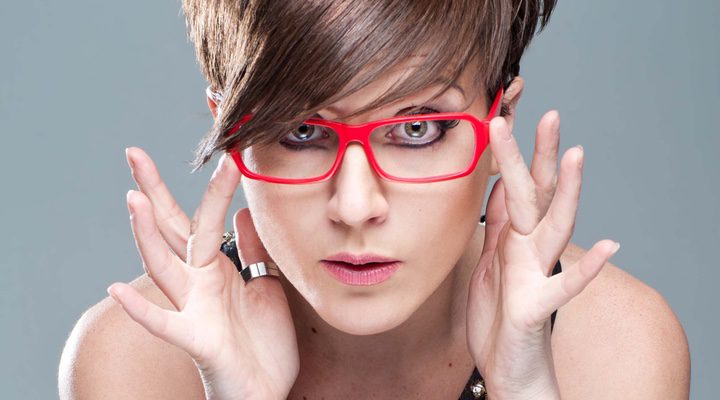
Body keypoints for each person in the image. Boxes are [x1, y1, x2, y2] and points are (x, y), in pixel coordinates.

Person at [58, 0, 690, 398]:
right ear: (232, 133)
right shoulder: (134, 361)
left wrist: (525, 387)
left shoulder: (618, 348)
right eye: (301, 131)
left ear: (501, 125)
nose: (356, 206)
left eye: (417, 130)